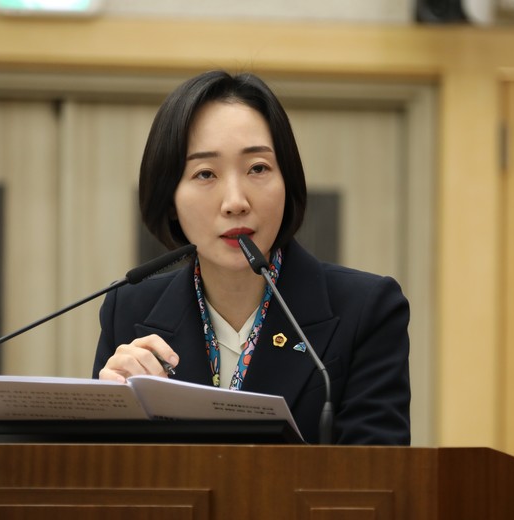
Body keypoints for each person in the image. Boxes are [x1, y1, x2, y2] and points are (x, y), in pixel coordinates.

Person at [93, 70, 410, 445]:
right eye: (205, 173)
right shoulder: (129, 312)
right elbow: (103, 475)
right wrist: (111, 414)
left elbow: (378, 473)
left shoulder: (366, 309)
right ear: (170, 200)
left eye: (257, 168)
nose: (235, 202)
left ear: (287, 180)